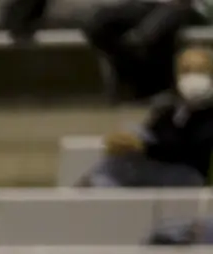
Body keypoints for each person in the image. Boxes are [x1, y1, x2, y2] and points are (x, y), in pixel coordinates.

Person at [81, 44, 213, 187]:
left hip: (192, 174)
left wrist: (145, 147)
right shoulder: (171, 108)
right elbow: (154, 134)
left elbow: (193, 148)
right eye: (186, 71)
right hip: (166, 167)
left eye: (200, 70)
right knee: (122, 156)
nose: (192, 77)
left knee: (122, 168)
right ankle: (91, 189)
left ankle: (88, 190)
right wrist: (128, 142)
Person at [86, 0, 210, 102]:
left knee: (148, 33)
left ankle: (151, 88)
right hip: (145, 6)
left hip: (183, 7)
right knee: (96, 24)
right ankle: (131, 77)